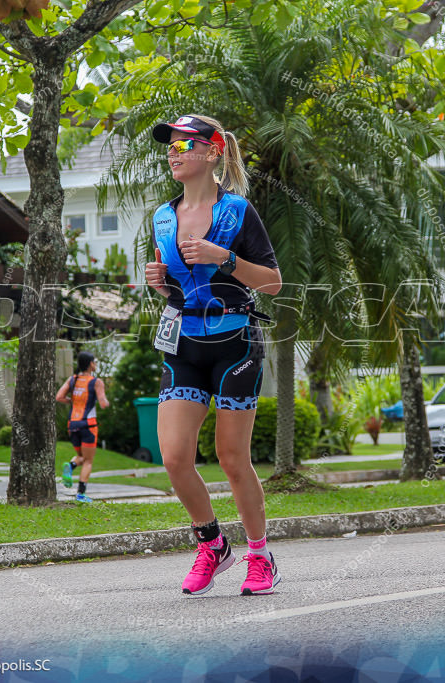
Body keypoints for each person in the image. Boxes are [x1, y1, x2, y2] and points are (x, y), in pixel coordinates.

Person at [144, 114, 282, 596]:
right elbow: (175, 284)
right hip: (183, 343)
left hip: (235, 343)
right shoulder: (163, 216)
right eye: (170, 145)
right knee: (175, 457)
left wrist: (223, 257)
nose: (174, 151)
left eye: (185, 143)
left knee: (231, 459)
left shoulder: (238, 212)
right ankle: (213, 544)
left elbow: (272, 282)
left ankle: (260, 556)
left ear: (213, 150)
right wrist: (159, 282)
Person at [56, 352, 109, 503]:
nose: (95, 364)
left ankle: (71, 466)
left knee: (81, 456)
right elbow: (103, 403)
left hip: (72, 424)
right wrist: (106, 402)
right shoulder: (96, 382)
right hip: (88, 424)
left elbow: (59, 397)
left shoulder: (73, 379)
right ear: (91, 364)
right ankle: (80, 494)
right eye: (94, 362)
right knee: (88, 461)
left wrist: (73, 402)